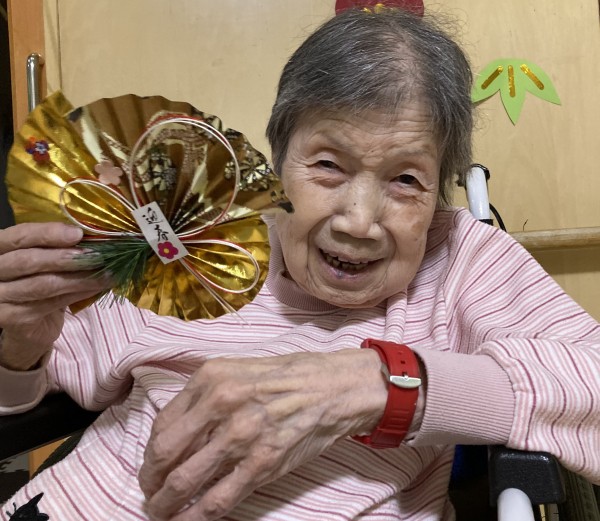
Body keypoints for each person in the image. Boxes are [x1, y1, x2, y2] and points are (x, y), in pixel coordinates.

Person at [1, 7, 599, 521]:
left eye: (406, 180)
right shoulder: (206, 244)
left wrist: (380, 385)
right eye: (328, 166)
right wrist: (20, 345)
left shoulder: (458, 261)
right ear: (277, 164)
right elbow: (35, 387)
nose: (358, 221)